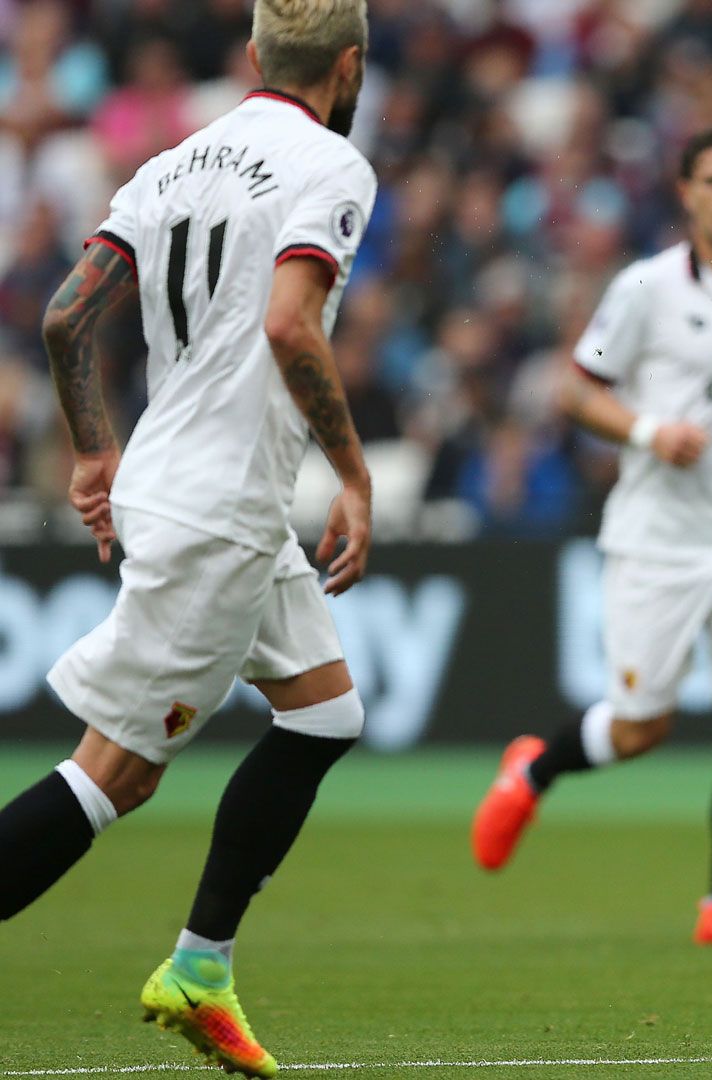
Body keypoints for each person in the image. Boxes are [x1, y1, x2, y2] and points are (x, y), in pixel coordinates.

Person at [0, 1, 377, 1076]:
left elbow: (69, 315)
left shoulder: (169, 164)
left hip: (207, 493)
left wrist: (90, 448)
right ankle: (198, 966)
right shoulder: (331, 164)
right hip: (216, 512)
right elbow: (290, 323)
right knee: (112, 775)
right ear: (346, 65)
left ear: (255, 55)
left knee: (325, 711)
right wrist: (353, 472)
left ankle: (200, 967)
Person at [470, 129, 712, 948]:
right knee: (640, 728)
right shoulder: (644, 288)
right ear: (687, 192)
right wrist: (646, 431)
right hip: (657, 539)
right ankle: (533, 769)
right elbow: (576, 388)